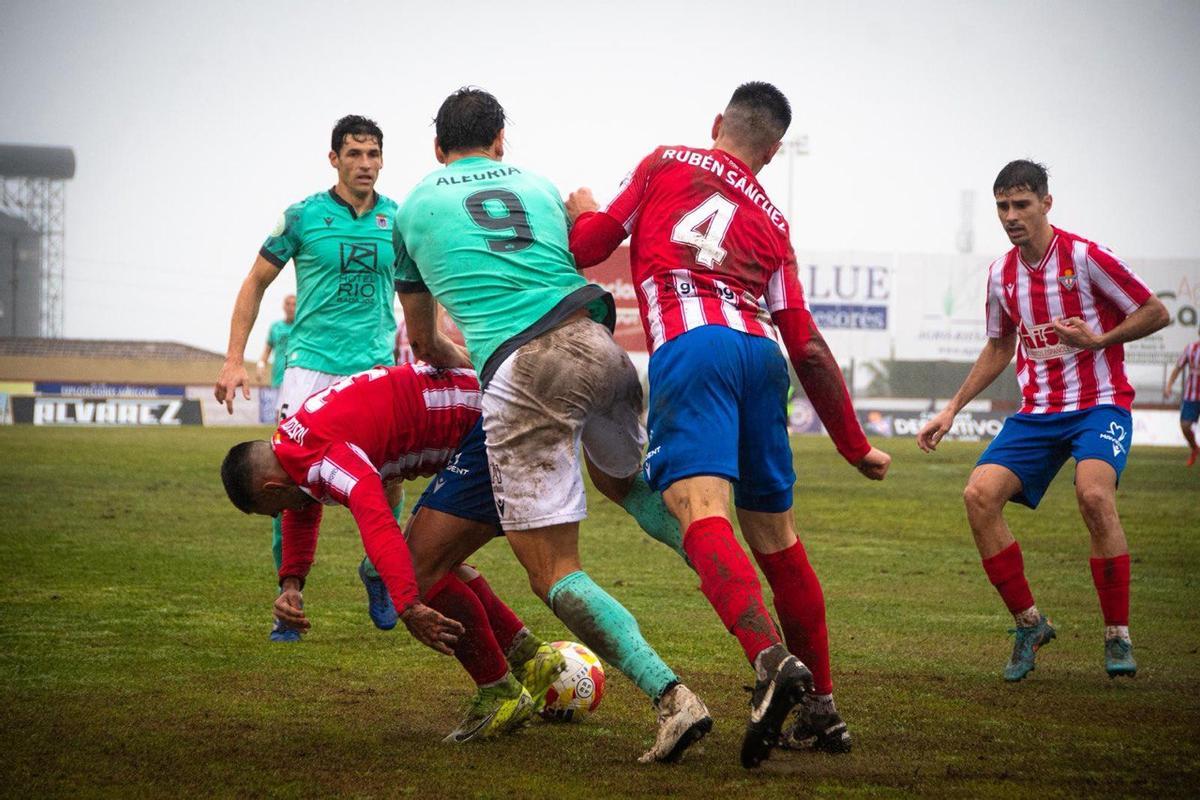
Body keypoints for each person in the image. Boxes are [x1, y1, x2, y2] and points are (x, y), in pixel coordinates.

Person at [567, 81, 891, 768]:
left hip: (696, 348)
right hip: (759, 357)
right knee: (776, 534)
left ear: (718, 122)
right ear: (772, 151)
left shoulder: (664, 161)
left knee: (698, 509)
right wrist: (854, 444)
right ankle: (824, 710)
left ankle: (770, 660)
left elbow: (593, 245)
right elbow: (803, 341)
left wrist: (586, 208)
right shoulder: (775, 219)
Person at [393, 87, 710, 764]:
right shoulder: (537, 184)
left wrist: (457, 356)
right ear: (501, 140)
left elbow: (423, 343)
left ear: (437, 149)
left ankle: (671, 696)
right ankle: (755, 620)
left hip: (524, 370)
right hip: (599, 343)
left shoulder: (414, 204)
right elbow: (586, 242)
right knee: (633, 492)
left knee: (554, 573)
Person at [917, 160, 1169, 682]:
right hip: (1037, 414)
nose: (1011, 216)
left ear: (1046, 204)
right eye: (1003, 207)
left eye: (1021, 205)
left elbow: (1155, 311)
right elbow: (999, 346)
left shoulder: (1086, 256)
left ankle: (1117, 634)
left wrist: (1098, 340)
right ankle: (1029, 623)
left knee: (1095, 496)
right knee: (978, 496)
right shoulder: (1000, 275)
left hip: (1099, 404)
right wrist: (951, 408)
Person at [220, 364, 565, 742]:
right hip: (484, 417)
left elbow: (377, 520)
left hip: (491, 426)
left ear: (270, 488)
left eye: (273, 508)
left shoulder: (326, 456)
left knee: (419, 568)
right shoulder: (291, 442)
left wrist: (407, 605)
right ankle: (530, 657)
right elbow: (305, 501)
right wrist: (291, 582)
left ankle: (499, 692)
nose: (280, 514)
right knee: (434, 559)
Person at [214, 115, 404, 641]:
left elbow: (426, 288)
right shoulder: (302, 217)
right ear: (334, 159)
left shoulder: (401, 219)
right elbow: (254, 284)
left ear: (383, 159)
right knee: (298, 483)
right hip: (311, 369)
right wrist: (234, 358)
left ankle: (379, 570)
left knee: (387, 477)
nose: (364, 164)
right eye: (354, 154)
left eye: (372, 154)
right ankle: (290, 593)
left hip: (376, 368)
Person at [1164, 325, 1200, 465]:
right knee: (1185, 425)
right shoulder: (1191, 348)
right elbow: (1178, 367)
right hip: (1191, 396)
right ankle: (1194, 448)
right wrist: (1169, 385)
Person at [257, 294, 296, 389]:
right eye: (288, 304)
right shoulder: (275, 327)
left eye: (294, 304)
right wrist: (261, 365)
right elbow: (267, 351)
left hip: (296, 378)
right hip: (278, 377)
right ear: (283, 306)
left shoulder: (301, 328)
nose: (291, 308)